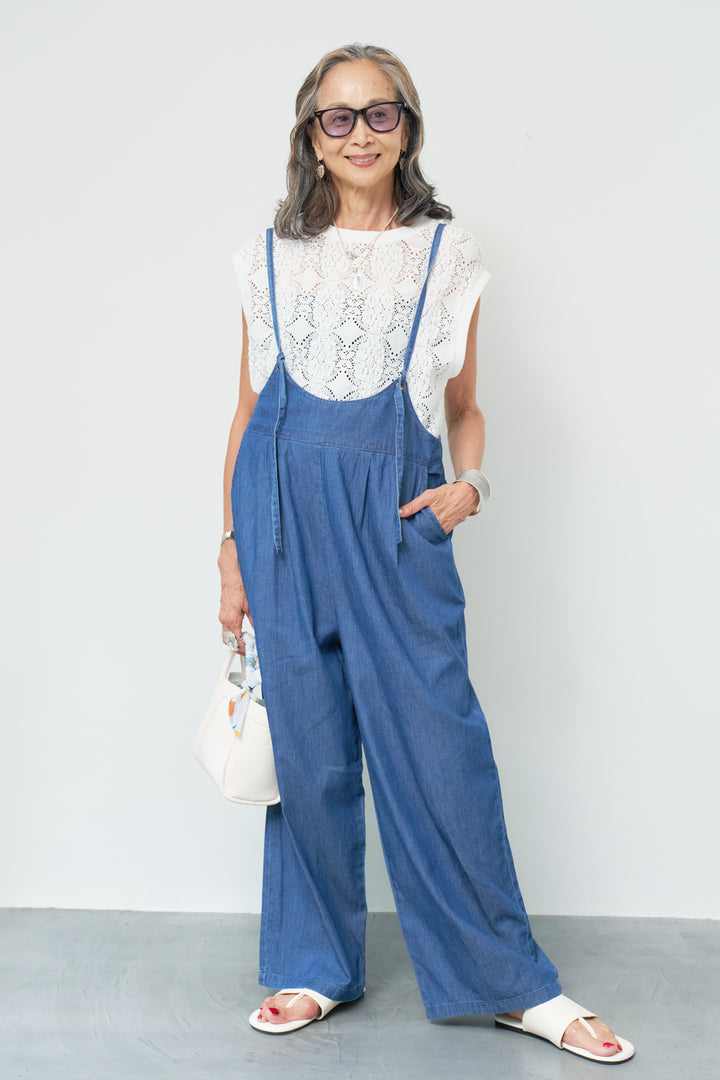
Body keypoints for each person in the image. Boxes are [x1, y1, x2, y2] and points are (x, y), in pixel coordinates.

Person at [218, 43, 634, 1064]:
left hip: (396, 520)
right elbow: (246, 410)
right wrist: (229, 549)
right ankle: (316, 964)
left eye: (381, 113)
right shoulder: (267, 258)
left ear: (407, 128)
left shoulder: (448, 254)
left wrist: (469, 486)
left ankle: (513, 984)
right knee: (309, 755)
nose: (359, 133)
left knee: (440, 750)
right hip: (278, 520)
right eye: (338, 116)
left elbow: (466, 406)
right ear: (311, 138)